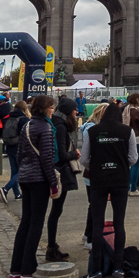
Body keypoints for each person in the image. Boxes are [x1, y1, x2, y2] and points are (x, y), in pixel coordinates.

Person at [80, 102, 138, 278]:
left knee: (97, 224)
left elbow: (84, 159)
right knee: (119, 223)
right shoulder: (127, 131)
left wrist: (98, 166)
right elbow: (133, 158)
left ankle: (96, 271)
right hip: (120, 180)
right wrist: (119, 165)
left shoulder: (92, 131)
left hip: (99, 180)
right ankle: (118, 268)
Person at [9, 95, 60, 278]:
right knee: (36, 223)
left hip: (25, 177)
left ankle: (16, 266)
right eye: (52, 107)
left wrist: (25, 170)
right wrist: (53, 183)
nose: (53, 110)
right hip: (39, 180)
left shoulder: (27, 125)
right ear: (45, 108)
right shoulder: (46, 128)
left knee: (26, 222)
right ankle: (28, 268)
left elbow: (19, 154)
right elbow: (47, 159)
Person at [46, 96, 81, 262]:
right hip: (59, 171)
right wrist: (75, 154)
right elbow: (61, 154)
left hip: (55, 170)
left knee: (56, 211)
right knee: (56, 211)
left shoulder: (57, 123)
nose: (76, 112)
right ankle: (51, 248)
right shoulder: (60, 126)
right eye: (74, 110)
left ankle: (52, 246)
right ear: (68, 111)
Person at [80, 103, 109, 249]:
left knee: (93, 204)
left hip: (91, 171)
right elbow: (86, 156)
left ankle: (87, 233)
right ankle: (90, 238)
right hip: (93, 172)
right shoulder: (92, 129)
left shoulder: (88, 126)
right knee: (96, 205)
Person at [0, 101, 30, 202]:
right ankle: (5, 188)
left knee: (14, 171)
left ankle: (17, 194)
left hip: (10, 146)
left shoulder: (9, 117)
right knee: (22, 170)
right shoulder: (24, 119)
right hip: (19, 147)